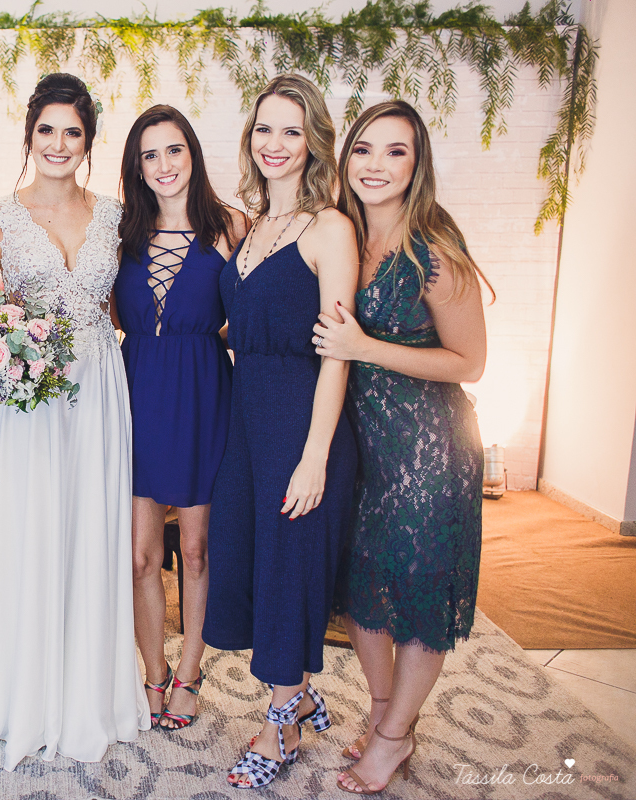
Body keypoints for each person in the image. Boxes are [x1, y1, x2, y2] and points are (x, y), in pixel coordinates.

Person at [0, 72, 150, 770]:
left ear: (89, 142)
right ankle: (33, 690)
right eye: (47, 130)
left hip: (101, 387)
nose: (58, 143)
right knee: (36, 527)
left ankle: (93, 688)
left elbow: (125, 302)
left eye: (72, 132)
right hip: (32, 399)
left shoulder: (114, 214)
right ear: (29, 135)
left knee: (93, 529)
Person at [319, 99, 489, 795]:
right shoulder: (339, 236)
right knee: (364, 595)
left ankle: (391, 739)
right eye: (364, 150)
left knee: (417, 599)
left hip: (427, 451)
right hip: (363, 450)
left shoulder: (434, 253)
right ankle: (389, 712)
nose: (376, 165)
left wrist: (366, 346)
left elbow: (469, 362)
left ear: (417, 166)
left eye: (396, 152)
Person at [202, 73, 359, 789]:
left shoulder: (331, 227)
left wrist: (316, 456)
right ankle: (295, 691)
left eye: (291, 130)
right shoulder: (253, 224)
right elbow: (242, 320)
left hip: (300, 417)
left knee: (289, 567)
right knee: (251, 558)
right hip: (245, 414)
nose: (275, 143)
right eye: (264, 128)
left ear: (313, 141)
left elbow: (338, 349)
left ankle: (280, 725)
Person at [113, 105, 248, 731]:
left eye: (174, 150)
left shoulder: (232, 228)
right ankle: (153, 672)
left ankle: (190, 672)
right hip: (137, 395)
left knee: (195, 551)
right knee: (140, 556)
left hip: (202, 397)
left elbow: (248, 315)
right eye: (149, 155)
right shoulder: (122, 234)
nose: (163, 165)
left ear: (192, 155)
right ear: (136, 168)